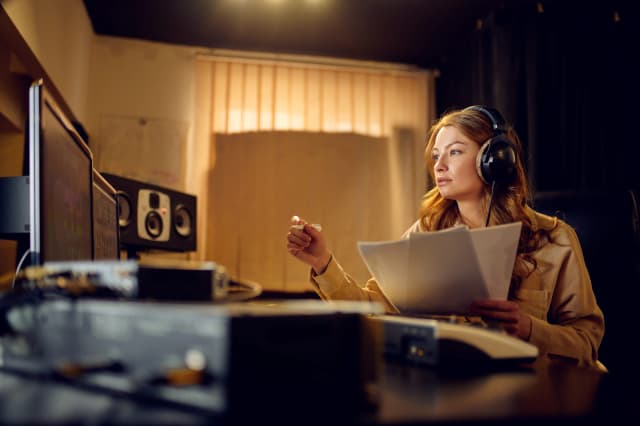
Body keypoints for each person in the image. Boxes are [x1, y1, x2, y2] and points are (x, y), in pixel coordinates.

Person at [286, 105, 604, 369]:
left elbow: (587, 340)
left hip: (537, 396)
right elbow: (376, 307)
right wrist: (323, 262)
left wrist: (531, 329)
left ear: (493, 160)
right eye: (436, 155)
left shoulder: (556, 240)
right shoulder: (425, 233)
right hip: (449, 390)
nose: (439, 165)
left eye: (454, 152)